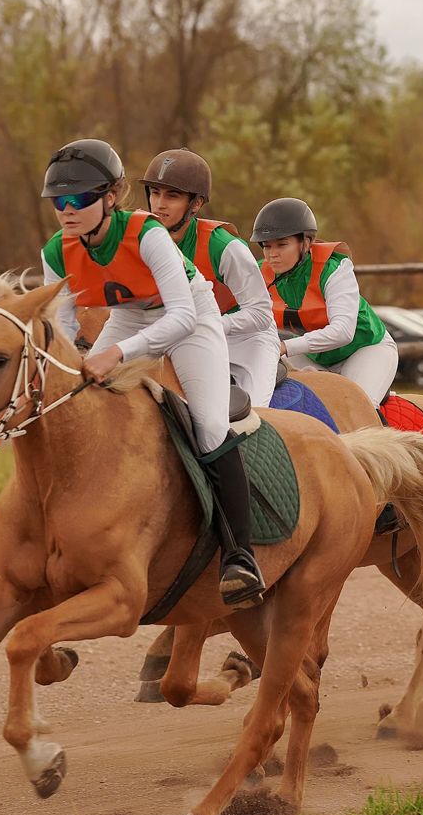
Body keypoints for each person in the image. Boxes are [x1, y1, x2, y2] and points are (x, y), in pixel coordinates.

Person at [37, 138, 264, 606]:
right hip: (131, 315)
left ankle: (240, 556)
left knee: (209, 426)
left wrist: (116, 353)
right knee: (76, 401)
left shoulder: (147, 233)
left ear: (112, 195)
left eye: (80, 198)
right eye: (59, 201)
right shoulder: (56, 252)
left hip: (192, 314)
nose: (68, 210)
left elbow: (180, 318)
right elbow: (58, 332)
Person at [138, 148, 281, 408]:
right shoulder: (140, 239)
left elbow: (261, 315)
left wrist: (207, 324)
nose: (159, 204)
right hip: (181, 336)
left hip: (247, 340)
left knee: (253, 414)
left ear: (196, 203)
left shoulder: (224, 247)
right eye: (155, 193)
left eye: (172, 195)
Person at [250, 197, 398, 404]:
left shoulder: (335, 269)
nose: (272, 255)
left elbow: (343, 332)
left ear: (306, 242)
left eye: (282, 245)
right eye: (266, 246)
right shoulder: (258, 273)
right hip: (314, 356)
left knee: (358, 407)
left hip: (365, 349)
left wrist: (285, 347)